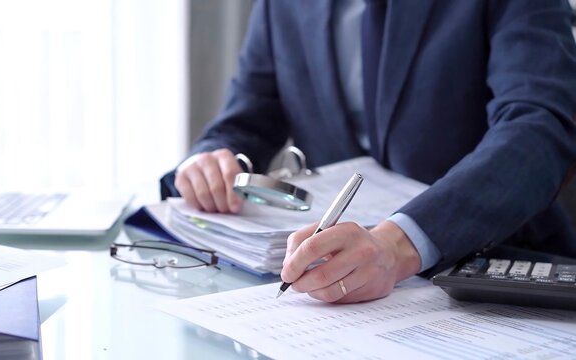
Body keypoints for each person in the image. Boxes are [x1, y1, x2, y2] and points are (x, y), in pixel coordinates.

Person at [160, 0, 576, 303]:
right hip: (340, 287)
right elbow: (245, 120)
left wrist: (401, 245)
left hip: (495, 270)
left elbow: (539, 126)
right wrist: (211, 157)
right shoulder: (281, 7)